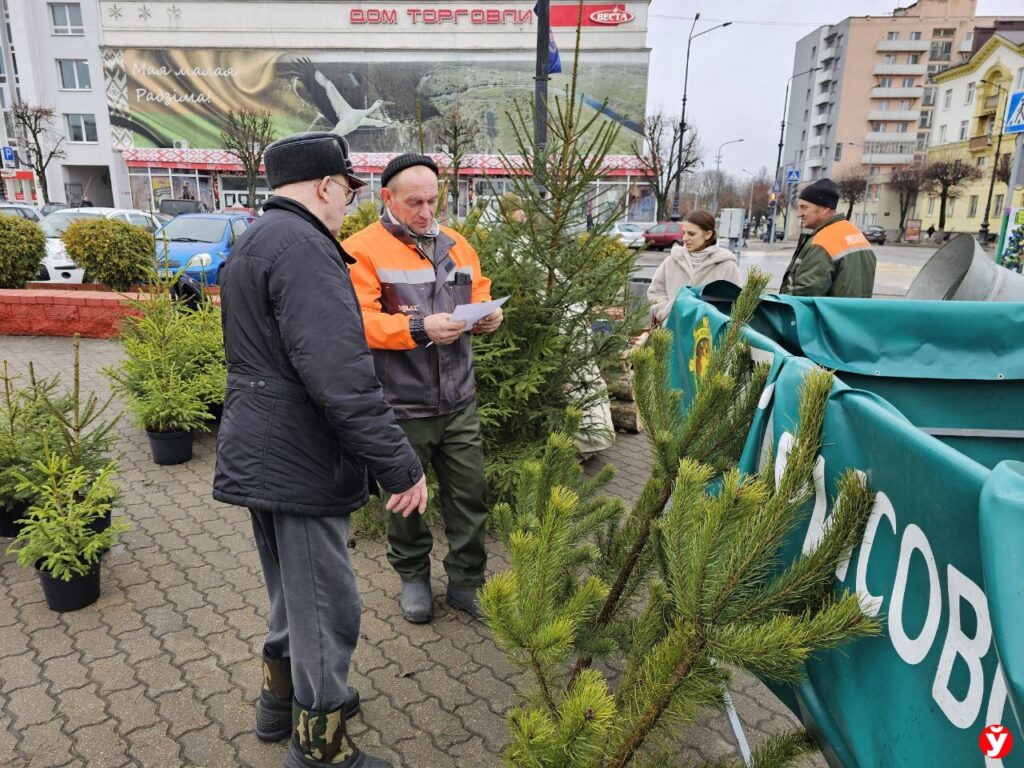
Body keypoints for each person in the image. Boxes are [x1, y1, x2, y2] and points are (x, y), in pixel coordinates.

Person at [213, 132, 427, 768]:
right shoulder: (306, 249)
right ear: (327, 186)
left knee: (292, 593)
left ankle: (280, 704)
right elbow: (340, 376)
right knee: (326, 608)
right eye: (350, 189)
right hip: (299, 455)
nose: (349, 203)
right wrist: (399, 464)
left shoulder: (256, 238)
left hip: (264, 445)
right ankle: (320, 750)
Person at [345, 153, 502, 625]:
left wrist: (491, 315)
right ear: (387, 197)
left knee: (469, 496)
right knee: (406, 503)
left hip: (458, 401)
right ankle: (413, 578)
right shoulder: (361, 249)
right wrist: (418, 328)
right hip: (400, 405)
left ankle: (467, 583)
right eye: (415, 202)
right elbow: (359, 321)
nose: (426, 211)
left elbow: (478, 293)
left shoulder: (457, 244)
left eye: (433, 200)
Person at [780, 178, 876, 298]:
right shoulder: (855, 233)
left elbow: (806, 296)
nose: (799, 214)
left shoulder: (822, 242)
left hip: (830, 316)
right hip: (855, 315)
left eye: (804, 207)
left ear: (825, 209)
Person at [647, 209, 742, 323]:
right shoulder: (672, 261)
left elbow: (738, 305)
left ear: (708, 234)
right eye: (684, 233)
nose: (685, 238)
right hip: (673, 333)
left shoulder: (727, 265)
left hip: (711, 336)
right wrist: (669, 314)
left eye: (691, 234)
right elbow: (655, 292)